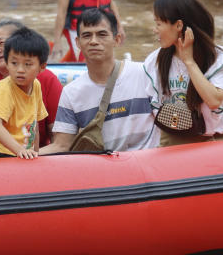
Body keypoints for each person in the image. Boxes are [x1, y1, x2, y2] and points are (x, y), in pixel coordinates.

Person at [40, 9, 157, 154]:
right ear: (78, 42)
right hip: (106, 170)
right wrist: (18, 156)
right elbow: (62, 146)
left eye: (101, 34)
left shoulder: (145, 74)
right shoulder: (71, 93)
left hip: (148, 165)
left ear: (117, 39)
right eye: (87, 35)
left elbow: (169, 126)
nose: (94, 41)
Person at [143, 0, 223, 146]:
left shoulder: (221, 60)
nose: (155, 29)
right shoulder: (155, 60)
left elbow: (213, 101)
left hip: (214, 142)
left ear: (178, 25)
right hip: (171, 139)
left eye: (159, 24)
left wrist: (189, 62)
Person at [0, 27, 49, 159]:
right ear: (7, 63)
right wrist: (19, 150)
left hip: (16, 153)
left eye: (28, 64)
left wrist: (35, 154)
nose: (20, 70)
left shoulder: (36, 85)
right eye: (14, 63)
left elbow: (34, 126)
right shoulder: (4, 88)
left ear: (42, 67)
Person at [0, 19, 62, 147]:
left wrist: (35, 154)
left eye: (1, 43)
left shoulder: (45, 80)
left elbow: (55, 134)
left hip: (29, 152)